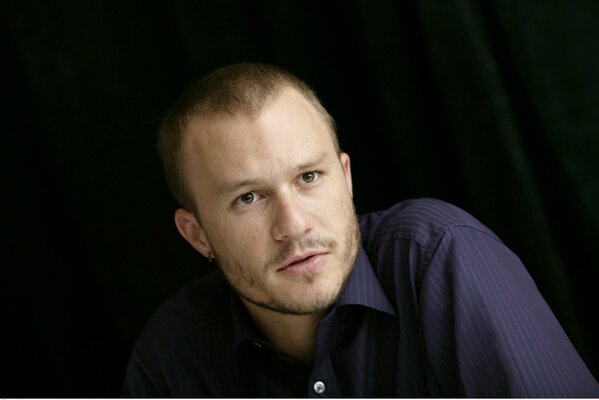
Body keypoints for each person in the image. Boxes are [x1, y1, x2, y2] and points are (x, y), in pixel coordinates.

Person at [122, 63, 598, 397]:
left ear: (345, 178)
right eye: (248, 198)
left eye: (309, 177)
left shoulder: (439, 256)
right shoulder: (172, 359)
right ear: (197, 234)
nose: (294, 224)